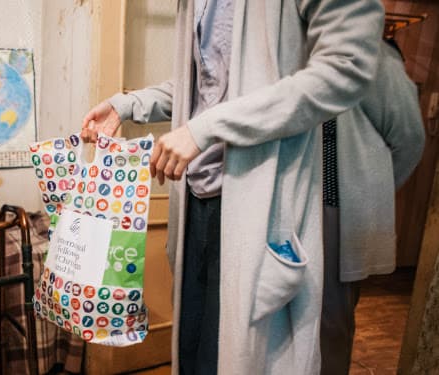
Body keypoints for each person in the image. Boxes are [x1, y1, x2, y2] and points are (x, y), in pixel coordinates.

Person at [81, 0, 385, 373]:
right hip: (196, 207)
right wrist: (127, 105)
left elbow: (347, 67)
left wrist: (207, 129)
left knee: (240, 360)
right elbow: (209, 88)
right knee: (195, 356)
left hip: (259, 207)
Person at [319, 38, 424, 374]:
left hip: (335, 212)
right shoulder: (291, 40)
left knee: (329, 324)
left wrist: (366, 193)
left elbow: (409, 138)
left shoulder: (371, 52)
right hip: (288, 208)